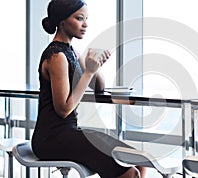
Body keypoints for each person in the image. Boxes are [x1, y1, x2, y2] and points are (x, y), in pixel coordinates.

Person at [31, 0, 146, 177]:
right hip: (51, 138)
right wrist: (88, 72)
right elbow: (63, 109)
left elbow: (99, 87)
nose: (85, 24)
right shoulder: (56, 57)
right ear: (62, 21)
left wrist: (94, 65)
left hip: (70, 132)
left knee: (138, 161)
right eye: (79, 18)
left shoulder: (72, 52)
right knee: (129, 173)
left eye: (86, 18)